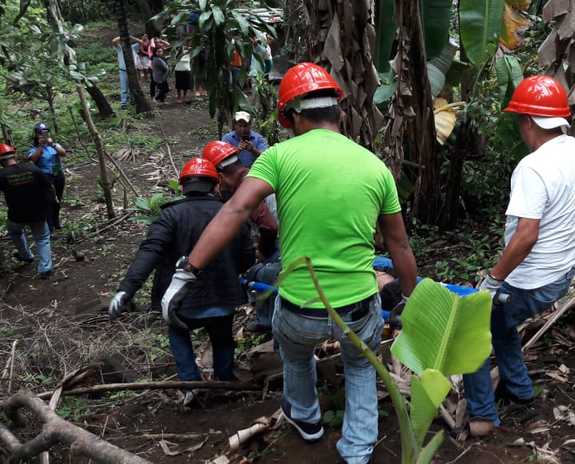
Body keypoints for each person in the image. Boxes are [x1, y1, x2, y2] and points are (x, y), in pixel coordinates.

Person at [162, 63, 418, 464]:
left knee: (296, 356)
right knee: (360, 368)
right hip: (357, 308)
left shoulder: (278, 157)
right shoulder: (374, 165)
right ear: (338, 111)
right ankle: (358, 449)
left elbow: (236, 209)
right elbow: (399, 244)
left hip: (300, 306)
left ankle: (307, 418)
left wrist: (187, 271)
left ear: (294, 116)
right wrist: (409, 296)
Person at [465, 75, 575, 437]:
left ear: (529, 122)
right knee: (500, 322)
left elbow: (526, 236)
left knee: (472, 327)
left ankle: (482, 417)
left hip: (533, 280)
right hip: (562, 272)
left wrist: (492, 280)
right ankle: (520, 390)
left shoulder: (532, 168)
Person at [109, 157, 255, 406]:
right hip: (223, 295)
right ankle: (224, 380)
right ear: (215, 184)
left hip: (181, 300)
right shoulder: (230, 213)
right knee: (222, 337)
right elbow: (247, 257)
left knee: (179, 334)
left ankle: (190, 385)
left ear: (182, 186)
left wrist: (126, 290)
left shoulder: (170, 216)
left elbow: (150, 251)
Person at [201, 140, 279, 333]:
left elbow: (269, 227)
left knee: (261, 273)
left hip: (287, 238)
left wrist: (264, 252)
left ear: (219, 176)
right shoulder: (250, 175)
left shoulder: (247, 187)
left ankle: (269, 322)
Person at [0, 144, 54, 280]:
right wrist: (49, 206)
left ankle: (26, 255)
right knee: (42, 238)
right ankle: (45, 268)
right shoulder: (32, 168)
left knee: (15, 232)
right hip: (38, 212)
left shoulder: (2, 175)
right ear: (14, 156)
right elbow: (48, 187)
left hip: (16, 215)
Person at [27, 123, 67, 231]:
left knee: (58, 199)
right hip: (45, 177)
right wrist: (41, 146)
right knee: (48, 201)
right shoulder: (33, 148)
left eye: (45, 132)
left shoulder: (54, 145)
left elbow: (63, 153)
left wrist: (52, 144)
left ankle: (56, 221)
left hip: (58, 175)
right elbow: (33, 159)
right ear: (36, 135)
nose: (44, 135)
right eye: (41, 133)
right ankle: (49, 225)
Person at [112, 35, 141, 109]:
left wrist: (131, 37)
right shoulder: (120, 48)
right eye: (124, 41)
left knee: (133, 86)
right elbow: (114, 41)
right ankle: (123, 104)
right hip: (123, 71)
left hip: (133, 70)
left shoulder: (133, 47)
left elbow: (142, 42)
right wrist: (122, 35)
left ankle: (133, 101)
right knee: (124, 88)